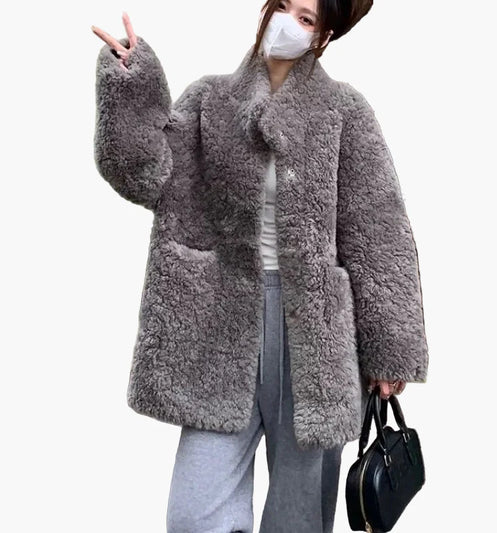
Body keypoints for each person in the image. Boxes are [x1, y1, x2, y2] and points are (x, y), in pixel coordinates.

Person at [91, 1, 428, 531]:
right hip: (221, 326)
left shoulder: (344, 111)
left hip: (315, 339)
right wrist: (132, 87)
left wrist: (390, 348)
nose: (286, 22)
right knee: (193, 514)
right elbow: (145, 175)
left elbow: (379, 229)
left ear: (323, 35)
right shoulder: (209, 100)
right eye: (283, 6)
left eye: (306, 18)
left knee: (299, 518)